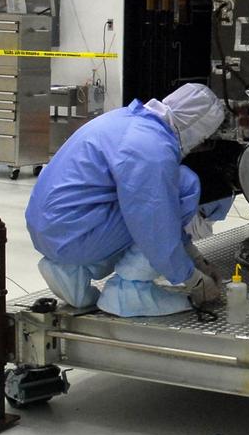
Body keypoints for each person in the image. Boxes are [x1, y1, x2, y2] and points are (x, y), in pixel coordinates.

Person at [26, 83, 227, 317]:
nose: (200, 143)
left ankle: (70, 271)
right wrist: (192, 279)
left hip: (51, 230)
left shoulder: (126, 119)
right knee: (184, 184)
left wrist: (197, 260)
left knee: (149, 199)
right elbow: (156, 225)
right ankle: (129, 292)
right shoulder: (153, 148)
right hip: (75, 235)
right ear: (196, 127)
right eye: (204, 137)